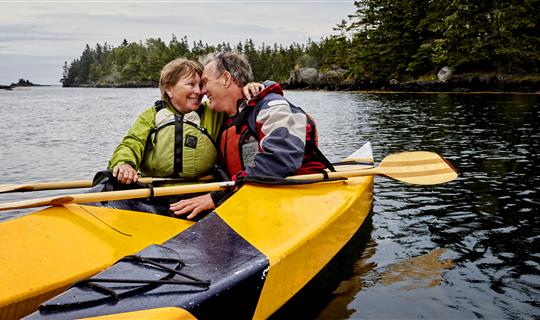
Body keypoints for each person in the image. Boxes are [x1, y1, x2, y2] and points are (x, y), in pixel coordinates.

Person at [170, 51, 331, 219]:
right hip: (251, 198)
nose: (202, 91)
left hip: (298, 201)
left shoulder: (272, 106)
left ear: (226, 79)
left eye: (205, 82)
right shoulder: (224, 120)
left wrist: (217, 197)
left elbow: (281, 157)